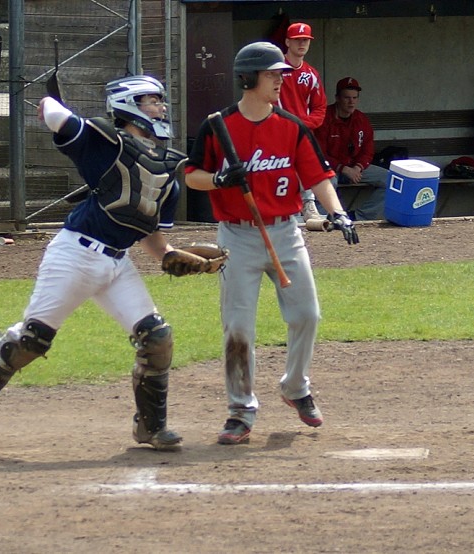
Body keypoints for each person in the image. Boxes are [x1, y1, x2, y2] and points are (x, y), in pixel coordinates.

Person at [0, 75, 186, 453]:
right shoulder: (105, 143)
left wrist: (171, 256)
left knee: (157, 338)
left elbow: (151, 238)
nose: (160, 107)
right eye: (151, 100)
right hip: (74, 255)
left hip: (117, 264)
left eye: (160, 100)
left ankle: (151, 427)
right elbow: (54, 114)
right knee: (32, 342)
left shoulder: (167, 171)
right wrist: (51, 103)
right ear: (129, 106)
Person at [184, 41, 359, 445]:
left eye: (281, 74)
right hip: (237, 237)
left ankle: (295, 387)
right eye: (272, 74)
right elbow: (191, 175)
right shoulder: (218, 126)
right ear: (248, 79)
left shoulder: (291, 126)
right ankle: (240, 410)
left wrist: (338, 213)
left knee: (307, 314)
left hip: (285, 232)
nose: (281, 80)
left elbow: (318, 177)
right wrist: (220, 180)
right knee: (238, 328)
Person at [314, 77, 390, 220]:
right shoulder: (324, 118)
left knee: (391, 180)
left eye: (354, 98)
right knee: (327, 182)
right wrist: (342, 168)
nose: (351, 102)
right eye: (347, 98)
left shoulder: (361, 119)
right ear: (337, 98)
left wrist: (358, 167)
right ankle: (329, 219)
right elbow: (319, 153)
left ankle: (358, 217)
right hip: (331, 168)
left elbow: (368, 150)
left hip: (355, 168)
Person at [277, 22, 327, 222]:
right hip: (277, 130)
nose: (302, 44)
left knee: (308, 167)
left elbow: (320, 108)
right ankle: (284, 210)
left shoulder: (311, 74)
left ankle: (308, 205)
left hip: (302, 132)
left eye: (305, 40)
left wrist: (303, 125)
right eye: (297, 40)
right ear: (287, 42)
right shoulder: (275, 70)